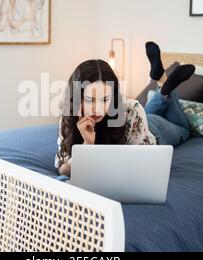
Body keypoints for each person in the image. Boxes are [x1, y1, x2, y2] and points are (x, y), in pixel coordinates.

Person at [55, 42, 194, 178]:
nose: (98, 109)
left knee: (184, 129)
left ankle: (164, 87)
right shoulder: (69, 116)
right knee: (149, 110)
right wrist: (87, 145)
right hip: (143, 117)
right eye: (90, 100)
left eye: (105, 99)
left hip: (152, 130)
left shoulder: (132, 111)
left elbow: (142, 165)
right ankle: (162, 85)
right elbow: (63, 168)